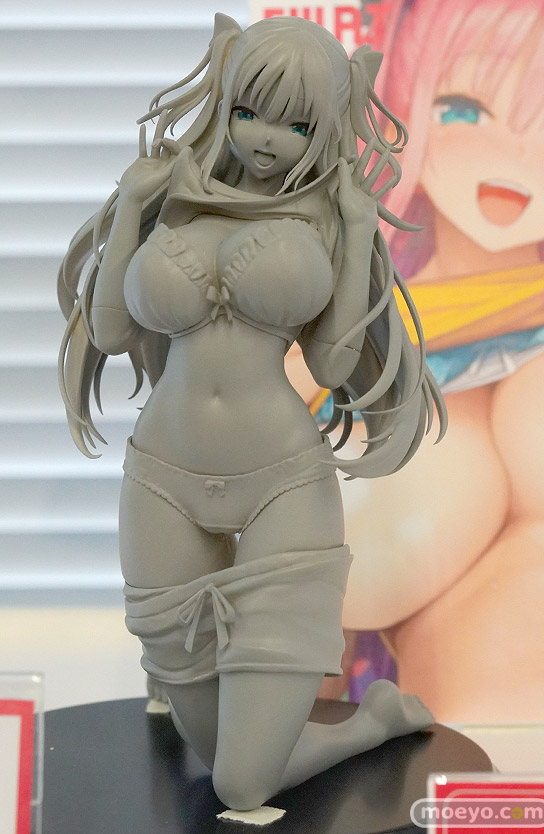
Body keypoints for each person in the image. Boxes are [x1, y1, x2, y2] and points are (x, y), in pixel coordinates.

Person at [58, 15, 444, 812]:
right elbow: (110, 330)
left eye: (297, 125)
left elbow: (332, 366)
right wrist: (129, 211)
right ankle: (177, 684)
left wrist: (359, 229)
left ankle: (372, 724)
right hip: (161, 483)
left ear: (327, 125)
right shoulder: (170, 197)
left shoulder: (330, 215)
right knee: (212, 757)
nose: (268, 140)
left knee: (241, 782)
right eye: (250, 112)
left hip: (282, 485)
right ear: (226, 100)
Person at [342, 0, 544, 722]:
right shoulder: (341, 329)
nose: (514, 154)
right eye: (465, 108)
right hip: (427, 754)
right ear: (405, 104)